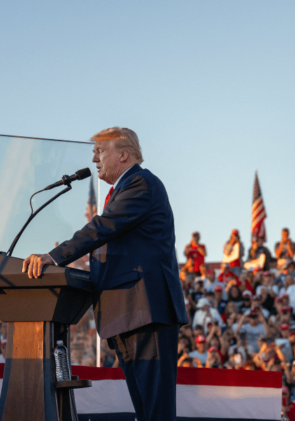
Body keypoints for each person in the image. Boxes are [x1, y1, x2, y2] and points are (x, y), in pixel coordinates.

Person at [22, 127, 188, 421]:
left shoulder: (141, 184)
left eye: (100, 151)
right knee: (146, 411)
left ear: (123, 154)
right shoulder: (124, 189)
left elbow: (102, 227)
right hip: (127, 314)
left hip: (146, 312)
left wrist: (54, 256)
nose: (95, 159)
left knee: (156, 412)